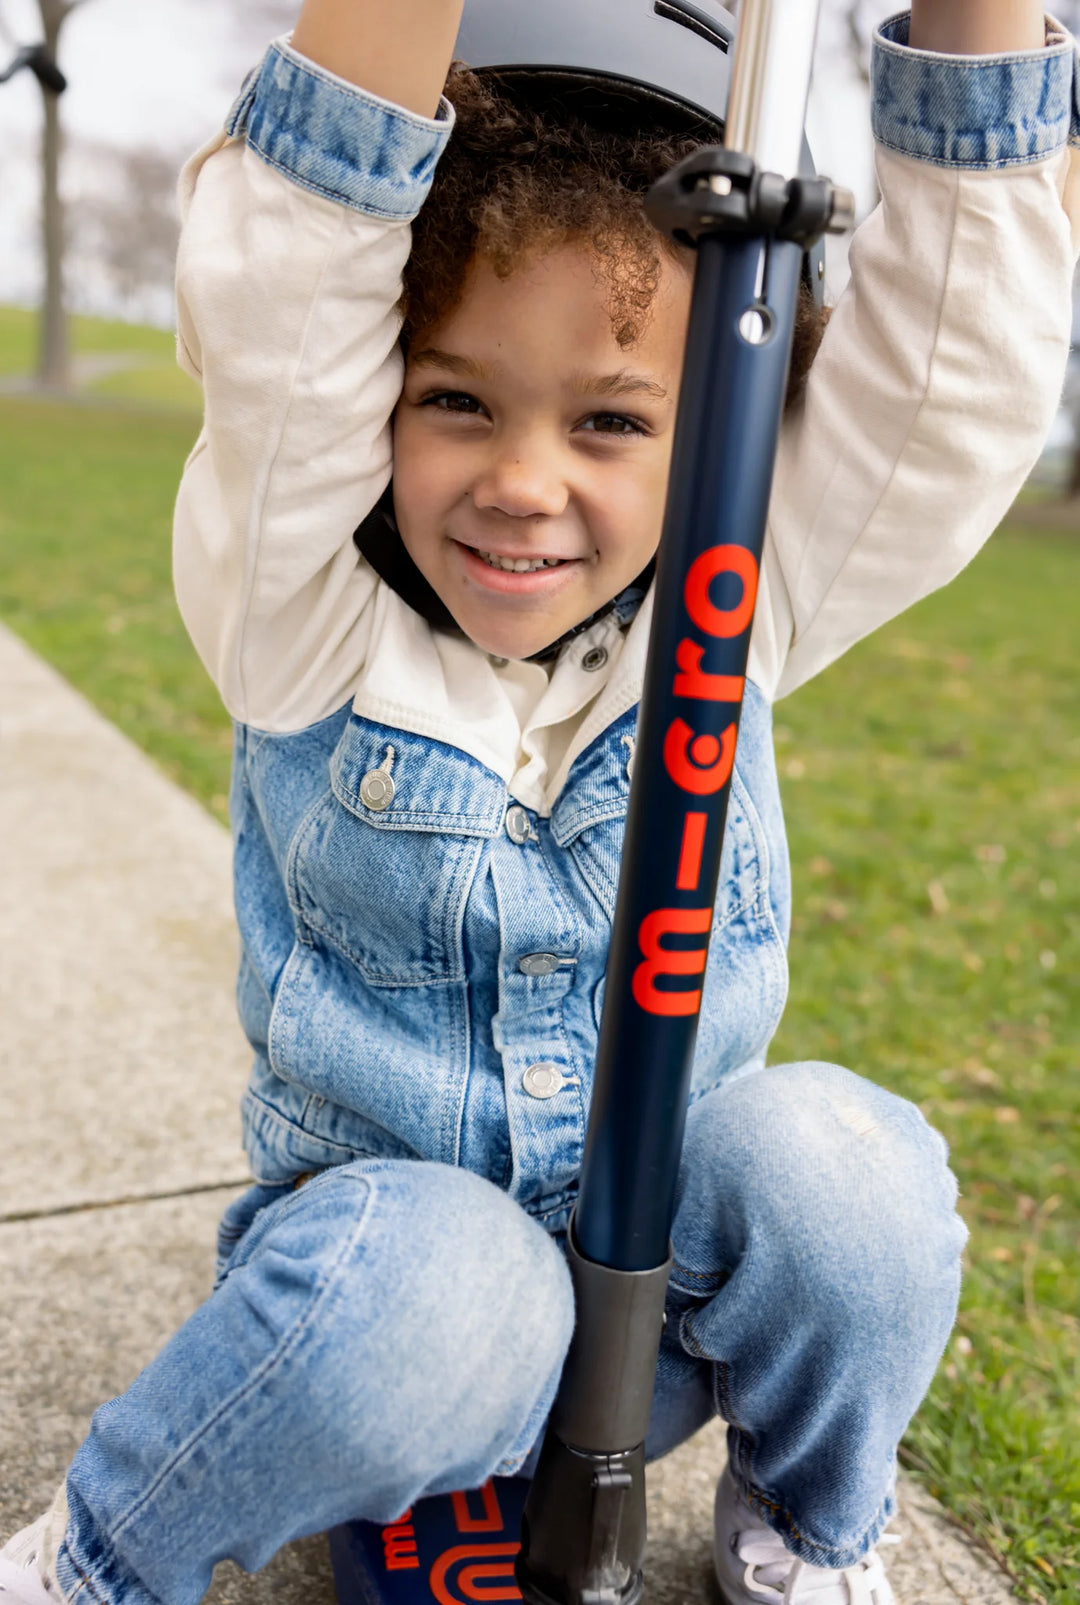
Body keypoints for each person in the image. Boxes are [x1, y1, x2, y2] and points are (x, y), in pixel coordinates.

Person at [2, 3, 1077, 1604]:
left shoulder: (737, 586)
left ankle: (811, 1528)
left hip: (665, 1307)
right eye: (457, 401)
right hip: (394, 1316)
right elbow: (295, 273)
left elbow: (957, 376)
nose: (523, 479)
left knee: (843, 1175)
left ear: (717, 426)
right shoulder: (298, 612)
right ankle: (97, 1561)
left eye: (610, 420)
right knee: (448, 1290)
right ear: (378, 390)